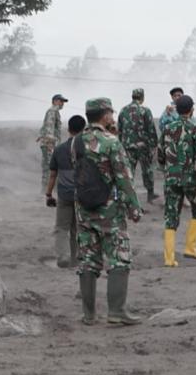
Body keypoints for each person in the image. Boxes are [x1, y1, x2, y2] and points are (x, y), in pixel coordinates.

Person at [73, 98, 143, 327]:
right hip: (109, 210)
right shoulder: (112, 142)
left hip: (83, 208)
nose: (113, 117)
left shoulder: (75, 142)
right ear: (104, 115)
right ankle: (116, 312)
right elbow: (124, 178)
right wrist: (134, 207)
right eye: (111, 113)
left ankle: (88, 315)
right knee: (119, 259)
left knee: (87, 261)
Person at [157, 94, 196, 266]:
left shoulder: (167, 128)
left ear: (177, 110)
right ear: (191, 110)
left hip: (171, 179)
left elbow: (160, 155)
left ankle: (169, 258)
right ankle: (190, 248)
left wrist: (169, 168)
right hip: (191, 179)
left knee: (171, 216)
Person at [45, 115, 87, 268]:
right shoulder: (87, 149)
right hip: (82, 195)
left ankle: (63, 256)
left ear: (69, 129)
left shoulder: (59, 149)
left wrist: (49, 194)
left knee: (62, 228)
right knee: (77, 227)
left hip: (64, 195)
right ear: (84, 130)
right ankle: (76, 257)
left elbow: (53, 175)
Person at [117, 88, 159, 203]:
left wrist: (120, 145)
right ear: (142, 97)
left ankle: (128, 197)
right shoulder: (145, 110)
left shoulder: (123, 110)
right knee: (147, 170)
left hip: (127, 147)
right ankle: (150, 195)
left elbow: (119, 130)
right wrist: (154, 145)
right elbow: (151, 129)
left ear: (132, 96)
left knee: (128, 172)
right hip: (143, 147)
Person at [37, 94, 68, 189]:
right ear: (54, 101)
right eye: (60, 101)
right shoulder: (52, 111)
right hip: (49, 144)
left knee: (50, 167)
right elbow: (49, 126)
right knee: (49, 167)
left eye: (63, 102)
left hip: (50, 143)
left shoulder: (55, 112)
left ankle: (48, 188)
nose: (62, 103)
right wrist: (50, 142)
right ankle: (47, 189)